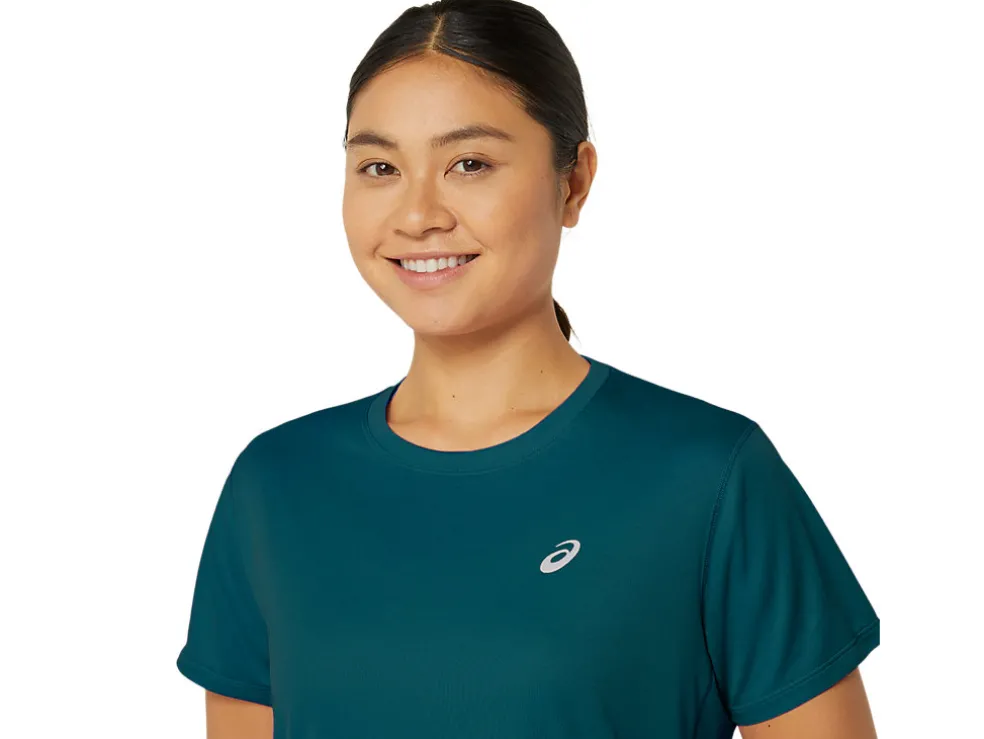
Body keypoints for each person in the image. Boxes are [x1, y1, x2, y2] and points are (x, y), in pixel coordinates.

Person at [175, 1, 881, 737]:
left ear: (573, 183)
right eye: (380, 167)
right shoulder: (276, 485)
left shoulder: (708, 476)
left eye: (469, 164)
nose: (417, 214)